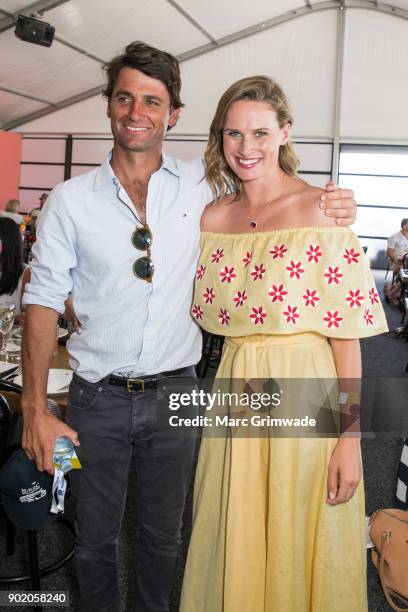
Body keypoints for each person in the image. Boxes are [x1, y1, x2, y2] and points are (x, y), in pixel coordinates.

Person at [21, 42, 357, 612]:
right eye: (124, 97)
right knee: (93, 540)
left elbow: (275, 211)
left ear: (172, 114)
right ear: (108, 104)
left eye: (152, 101)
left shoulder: (204, 194)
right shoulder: (69, 201)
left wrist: (339, 204)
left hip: (180, 396)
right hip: (94, 399)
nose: (136, 112)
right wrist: (34, 408)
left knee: (165, 538)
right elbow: (42, 301)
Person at [180, 76, 388, 612]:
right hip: (236, 385)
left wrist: (349, 440)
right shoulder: (212, 218)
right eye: (233, 134)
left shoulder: (323, 210)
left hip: (308, 391)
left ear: (284, 133)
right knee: (236, 527)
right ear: (219, 138)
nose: (245, 148)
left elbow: (347, 340)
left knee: (299, 535)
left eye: (259, 132)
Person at [0, 217, 30, 323]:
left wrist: (8, 318)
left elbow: (29, 318)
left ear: (8, 242)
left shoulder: (26, 274)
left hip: (9, 337)